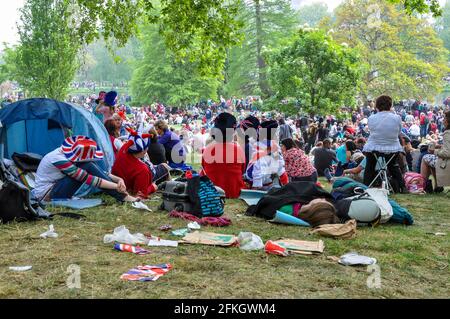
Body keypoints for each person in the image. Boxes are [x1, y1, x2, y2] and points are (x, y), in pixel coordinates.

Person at [32, 136, 136, 202]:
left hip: (56, 188)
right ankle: (123, 197)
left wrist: (119, 180)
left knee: (88, 165)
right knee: (87, 166)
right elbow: (88, 179)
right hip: (47, 195)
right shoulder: (58, 158)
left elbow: (99, 172)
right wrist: (116, 186)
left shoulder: (69, 153)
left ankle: (122, 196)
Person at [362, 95, 406, 193]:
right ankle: (402, 186)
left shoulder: (371, 118)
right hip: (393, 148)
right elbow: (398, 132)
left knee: (370, 165)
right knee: (393, 165)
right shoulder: (397, 118)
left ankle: (366, 186)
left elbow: (371, 131)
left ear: (377, 105)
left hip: (374, 147)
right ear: (390, 105)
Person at [112, 129, 170, 199]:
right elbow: (139, 195)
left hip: (118, 182)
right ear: (143, 151)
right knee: (165, 166)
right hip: (130, 186)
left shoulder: (125, 147)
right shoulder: (142, 169)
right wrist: (153, 187)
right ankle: (170, 187)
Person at [201, 112, 246, 198]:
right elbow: (242, 171)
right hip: (234, 193)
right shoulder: (239, 150)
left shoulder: (206, 150)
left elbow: (204, 173)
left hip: (212, 193)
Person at [245, 120, 289, 190]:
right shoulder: (264, 147)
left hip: (264, 183)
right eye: (276, 133)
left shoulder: (269, 146)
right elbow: (258, 169)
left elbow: (280, 168)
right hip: (257, 185)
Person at [421, 111, 450, 192]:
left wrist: (434, 151)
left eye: (444, 118)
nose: (443, 120)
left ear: (448, 120)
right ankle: (438, 186)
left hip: (447, 162)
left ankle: (424, 185)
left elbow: (447, 153)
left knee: (425, 157)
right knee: (431, 160)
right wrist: (440, 146)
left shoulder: (447, 133)